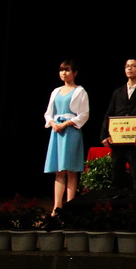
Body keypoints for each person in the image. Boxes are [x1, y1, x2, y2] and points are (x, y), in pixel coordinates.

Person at [99, 58, 136, 192]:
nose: (129, 68)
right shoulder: (118, 92)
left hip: (135, 142)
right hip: (117, 142)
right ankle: (117, 204)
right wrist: (104, 134)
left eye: (133, 66)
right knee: (117, 178)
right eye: (127, 66)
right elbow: (109, 114)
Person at [44, 60, 90, 214]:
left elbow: (84, 114)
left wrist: (66, 123)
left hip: (71, 131)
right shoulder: (56, 91)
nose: (63, 73)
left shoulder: (80, 91)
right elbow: (48, 113)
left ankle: (70, 207)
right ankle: (56, 207)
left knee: (71, 170)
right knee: (59, 171)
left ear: (75, 73)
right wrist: (52, 123)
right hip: (57, 132)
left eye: (67, 70)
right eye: (61, 70)